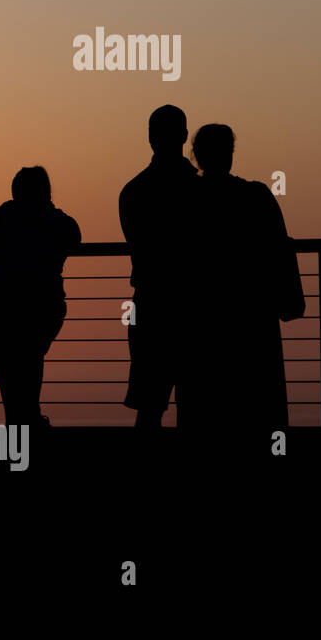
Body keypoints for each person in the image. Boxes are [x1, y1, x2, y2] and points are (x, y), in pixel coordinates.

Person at [183, 125, 303, 433]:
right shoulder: (256, 196)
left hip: (201, 324)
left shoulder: (186, 200)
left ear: (196, 156)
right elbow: (280, 250)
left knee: (205, 410)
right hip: (253, 319)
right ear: (230, 155)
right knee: (258, 408)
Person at [0, 167, 81, 429]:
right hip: (39, 313)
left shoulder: (5, 216)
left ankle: (22, 434)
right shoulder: (52, 219)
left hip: (1, 316)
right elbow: (74, 235)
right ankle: (30, 425)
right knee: (30, 371)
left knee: (12, 390)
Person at [118, 105, 199, 428]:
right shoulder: (198, 191)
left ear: (150, 138)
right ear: (183, 136)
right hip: (194, 304)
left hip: (150, 303)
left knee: (149, 405)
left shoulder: (134, 191)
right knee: (195, 402)